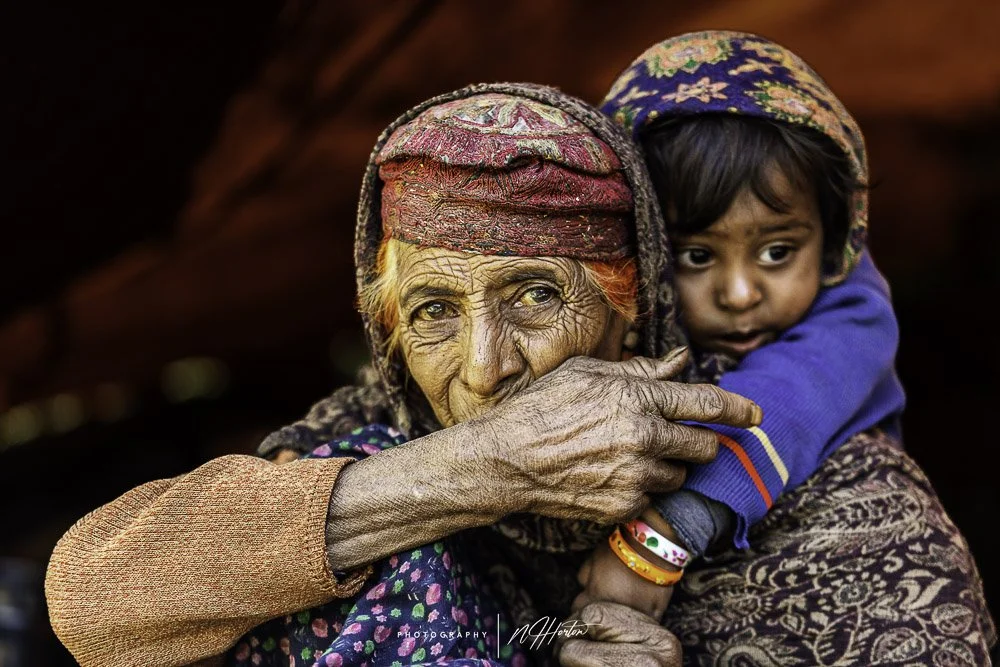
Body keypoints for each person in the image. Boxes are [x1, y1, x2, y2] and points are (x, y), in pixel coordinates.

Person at [45, 83, 762, 667]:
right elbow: (90, 603)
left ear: (631, 308)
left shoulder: (753, 448)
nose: (486, 367)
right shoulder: (362, 435)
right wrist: (488, 465)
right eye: (434, 310)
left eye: (536, 295)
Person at [574, 31, 909, 623]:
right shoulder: (599, 321)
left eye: (777, 252)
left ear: (835, 232)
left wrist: (661, 537)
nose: (739, 294)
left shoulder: (853, 317)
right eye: (696, 256)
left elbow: (791, 395)